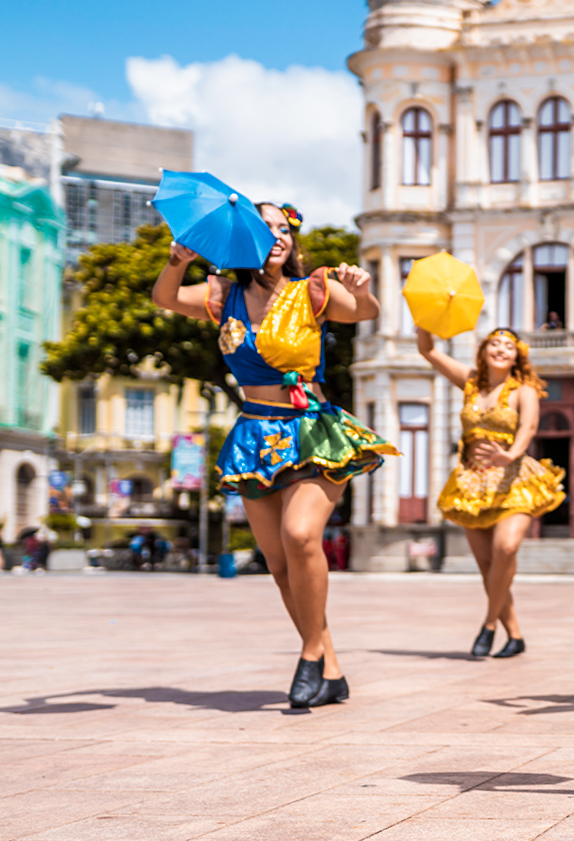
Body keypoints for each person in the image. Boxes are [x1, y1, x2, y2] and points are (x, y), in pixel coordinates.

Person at [152, 201, 394, 710]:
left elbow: (366, 314)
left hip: (312, 429)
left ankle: (308, 655)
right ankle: (330, 669)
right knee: (280, 564)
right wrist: (177, 260)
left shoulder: (313, 290)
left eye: (284, 229)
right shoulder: (224, 294)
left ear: (293, 241)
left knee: (301, 535)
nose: (277, 236)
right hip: (255, 435)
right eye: (265, 229)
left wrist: (364, 289)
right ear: (245, 241)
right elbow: (166, 298)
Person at [419, 326, 566, 658]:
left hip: (512, 479)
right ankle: (514, 636)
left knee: (506, 547)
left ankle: (488, 624)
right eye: (495, 344)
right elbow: (429, 351)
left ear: (517, 356)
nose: (501, 349)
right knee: (487, 565)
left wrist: (511, 454)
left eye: (508, 346)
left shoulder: (523, 389)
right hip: (472, 484)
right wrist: (426, 325)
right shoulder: (470, 381)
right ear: (484, 350)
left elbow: (528, 426)